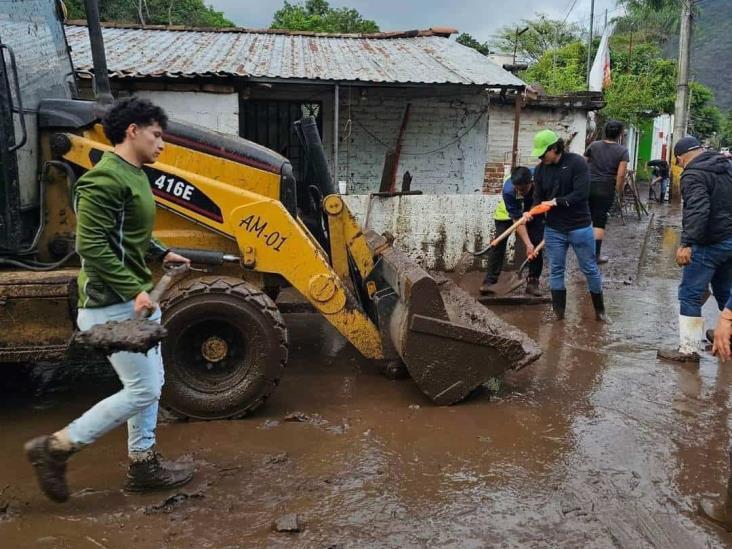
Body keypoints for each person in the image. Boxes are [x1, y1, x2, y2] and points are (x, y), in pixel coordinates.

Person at [24, 98, 194, 503]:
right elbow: (93, 246)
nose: (162, 144)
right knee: (142, 388)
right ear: (132, 131)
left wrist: (158, 251)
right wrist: (132, 290)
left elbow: (127, 231)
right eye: (156, 135)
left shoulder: (134, 175)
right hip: (110, 305)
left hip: (132, 299)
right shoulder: (103, 180)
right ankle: (55, 448)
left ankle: (143, 463)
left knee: (150, 384)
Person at [657, 136, 732, 363]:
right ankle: (727, 336)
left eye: (678, 162)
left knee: (691, 293)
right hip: (730, 241)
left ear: (680, 158)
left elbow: (698, 210)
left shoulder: (692, 174)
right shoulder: (726, 167)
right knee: (725, 291)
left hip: (708, 244)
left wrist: (687, 243)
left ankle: (688, 350)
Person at [527, 129, 607, 322]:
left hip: (579, 226)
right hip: (554, 229)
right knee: (556, 269)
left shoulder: (577, 163)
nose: (540, 157)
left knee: (589, 268)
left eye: (543, 153)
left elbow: (581, 194)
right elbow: (538, 197)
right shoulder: (540, 170)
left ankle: (600, 311)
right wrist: (531, 211)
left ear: (554, 148)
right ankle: (558, 313)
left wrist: (556, 202)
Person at [480, 166, 544, 297]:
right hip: (508, 213)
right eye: (518, 189)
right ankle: (489, 282)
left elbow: (540, 200)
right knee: (498, 243)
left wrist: (531, 211)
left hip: (533, 210)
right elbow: (516, 220)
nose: (520, 192)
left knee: (536, 243)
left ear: (531, 182)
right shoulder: (509, 191)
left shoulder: (540, 180)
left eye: (523, 189)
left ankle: (533, 282)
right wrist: (527, 244)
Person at [584, 120, 629, 264]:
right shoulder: (622, 151)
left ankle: (582, 253)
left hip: (588, 186)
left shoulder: (594, 145)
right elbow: (621, 175)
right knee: (599, 221)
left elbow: (582, 163)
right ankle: (595, 256)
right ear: (620, 133)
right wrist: (619, 191)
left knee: (585, 219)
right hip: (605, 188)